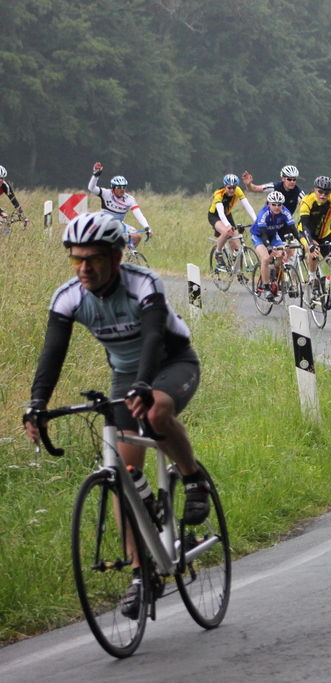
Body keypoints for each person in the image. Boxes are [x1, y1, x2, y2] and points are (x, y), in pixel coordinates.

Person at [22, 212, 208, 618]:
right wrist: (37, 403)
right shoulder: (68, 297)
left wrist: (143, 385)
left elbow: (154, 335)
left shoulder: (143, 283)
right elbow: (52, 353)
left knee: (156, 413)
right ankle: (142, 574)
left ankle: (194, 479)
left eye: (93, 259)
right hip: (126, 375)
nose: (84, 268)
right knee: (124, 476)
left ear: (116, 257)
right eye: (76, 259)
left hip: (172, 362)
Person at [252, 191, 306, 300]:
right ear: (269, 204)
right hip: (259, 236)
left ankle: (275, 276)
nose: (277, 207)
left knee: (283, 255)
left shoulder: (285, 212)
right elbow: (263, 233)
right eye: (274, 204)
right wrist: (268, 247)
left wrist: (302, 242)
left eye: (279, 204)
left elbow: (294, 230)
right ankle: (266, 288)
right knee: (266, 258)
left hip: (273, 235)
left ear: (282, 204)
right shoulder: (264, 213)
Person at [88, 163, 151, 248]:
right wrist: (95, 176)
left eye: (124, 187)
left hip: (118, 225)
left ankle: (126, 254)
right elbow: (91, 188)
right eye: (119, 187)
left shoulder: (129, 199)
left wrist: (147, 227)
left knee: (137, 236)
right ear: (114, 187)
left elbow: (138, 214)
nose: (122, 189)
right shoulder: (106, 194)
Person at [208, 174, 258, 261]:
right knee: (226, 232)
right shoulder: (218, 193)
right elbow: (220, 213)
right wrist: (227, 225)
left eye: (234, 188)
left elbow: (248, 206)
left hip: (227, 214)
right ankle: (218, 252)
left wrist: (256, 220)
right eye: (229, 188)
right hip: (215, 215)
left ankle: (237, 267)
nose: (232, 190)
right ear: (225, 186)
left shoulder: (238, 190)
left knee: (235, 245)